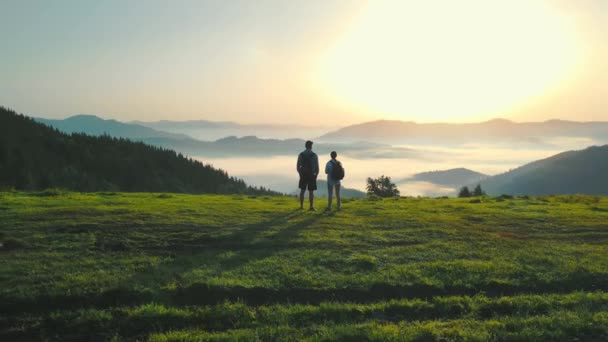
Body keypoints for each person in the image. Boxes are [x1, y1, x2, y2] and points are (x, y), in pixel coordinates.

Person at [296, 140, 319, 210]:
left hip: (303, 174)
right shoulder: (314, 155)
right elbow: (317, 167)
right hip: (311, 175)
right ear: (311, 146)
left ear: (305, 146)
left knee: (302, 191)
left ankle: (301, 206)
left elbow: (297, 166)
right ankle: (311, 206)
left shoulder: (301, 154)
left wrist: (300, 174)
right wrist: (316, 175)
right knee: (311, 192)